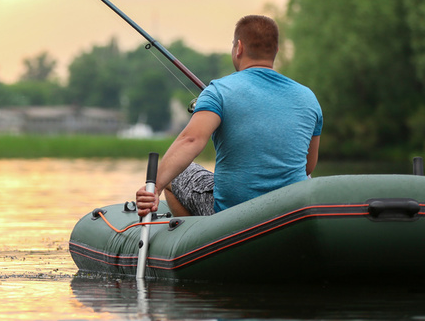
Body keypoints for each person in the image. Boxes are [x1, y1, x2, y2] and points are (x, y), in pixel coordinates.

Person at [136, 14, 322, 218]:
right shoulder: (309, 98)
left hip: (232, 215)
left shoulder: (218, 91)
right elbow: (308, 166)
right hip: (289, 212)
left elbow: (190, 140)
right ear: (276, 50)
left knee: (177, 176)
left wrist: (156, 187)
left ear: (239, 48)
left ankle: (198, 239)